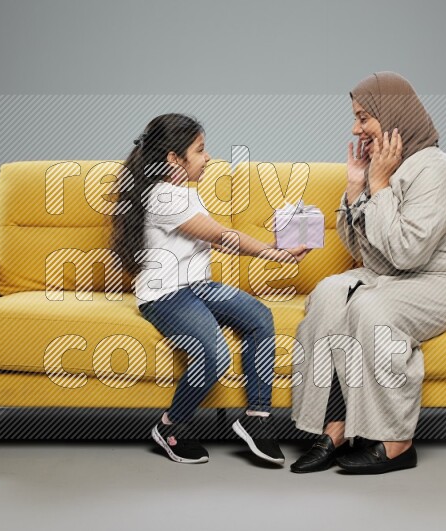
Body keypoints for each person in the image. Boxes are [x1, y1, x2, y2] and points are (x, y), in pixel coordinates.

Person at [289, 72, 446, 474]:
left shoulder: (437, 169)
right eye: (356, 119)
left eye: (364, 117)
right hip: (391, 277)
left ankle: (396, 441)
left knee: (372, 309)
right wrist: (356, 186)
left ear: (392, 115)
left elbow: (408, 252)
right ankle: (336, 426)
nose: (356, 128)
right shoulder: (386, 165)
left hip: (442, 283)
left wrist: (378, 187)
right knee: (327, 295)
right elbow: (359, 248)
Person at [110, 113, 311, 464]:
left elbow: (214, 239)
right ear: (174, 158)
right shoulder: (161, 197)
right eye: (200, 150)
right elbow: (220, 236)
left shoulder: (182, 193)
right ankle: (170, 426)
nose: (208, 158)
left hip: (197, 287)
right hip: (165, 295)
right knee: (212, 353)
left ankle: (257, 418)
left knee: (259, 317)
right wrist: (274, 253)